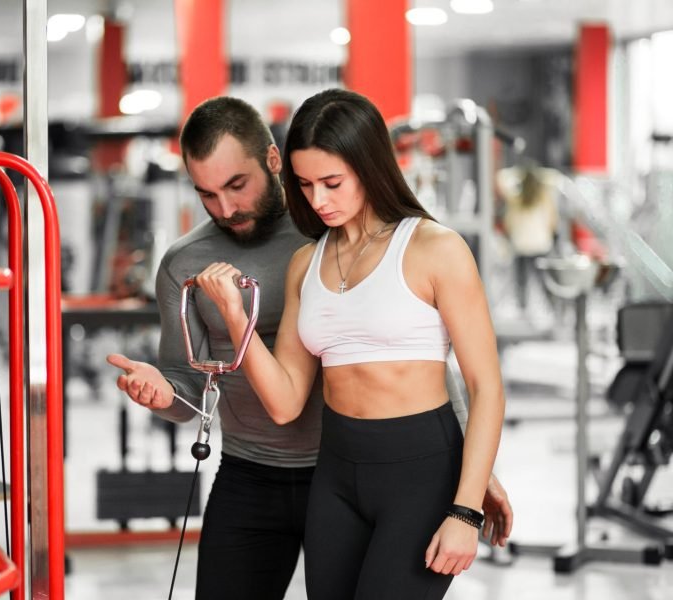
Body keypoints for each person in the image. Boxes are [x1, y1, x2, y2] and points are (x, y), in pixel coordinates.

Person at [107, 96, 511, 600]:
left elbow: (464, 375)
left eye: (332, 183)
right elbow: (279, 399)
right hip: (313, 475)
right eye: (305, 185)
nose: (318, 200)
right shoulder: (301, 260)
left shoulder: (421, 246)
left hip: (404, 468)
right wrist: (227, 327)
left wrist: (468, 497)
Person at [499, 165, 560, 314]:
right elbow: (553, 222)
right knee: (546, 282)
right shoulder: (545, 198)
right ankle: (553, 311)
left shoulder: (515, 200)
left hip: (521, 246)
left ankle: (523, 311)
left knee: (521, 283)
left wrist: (521, 173)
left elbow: (501, 177)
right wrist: (537, 174)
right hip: (541, 245)